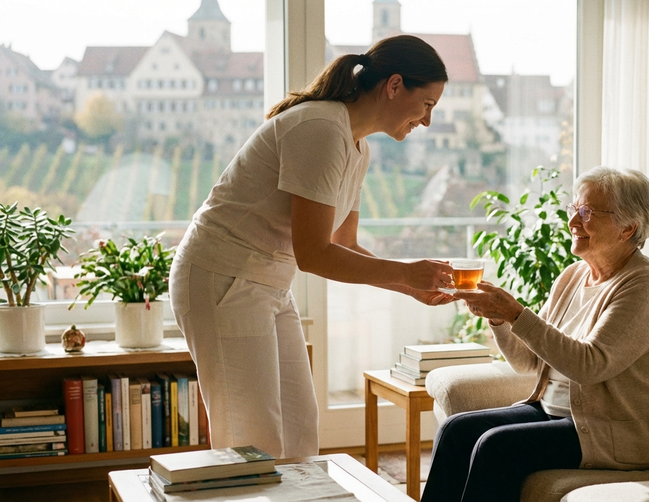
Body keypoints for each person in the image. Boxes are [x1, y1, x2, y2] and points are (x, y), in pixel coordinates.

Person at [168, 35, 455, 459]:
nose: (427, 121)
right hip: (221, 276)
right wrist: (405, 272)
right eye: (427, 104)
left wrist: (409, 285)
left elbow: (345, 243)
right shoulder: (320, 128)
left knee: (300, 433)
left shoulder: (358, 149)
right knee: (253, 442)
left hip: (267, 283)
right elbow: (315, 254)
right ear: (394, 85)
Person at [421, 166, 649, 502]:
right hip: (556, 412)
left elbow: (590, 365)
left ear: (627, 228)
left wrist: (515, 312)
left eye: (587, 213)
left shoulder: (644, 287)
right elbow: (527, 362)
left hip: (619, 431)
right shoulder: (573, 276)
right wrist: (498, 319)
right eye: (575, 209)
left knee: (495, 446)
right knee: (457, 430)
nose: (572, 222)